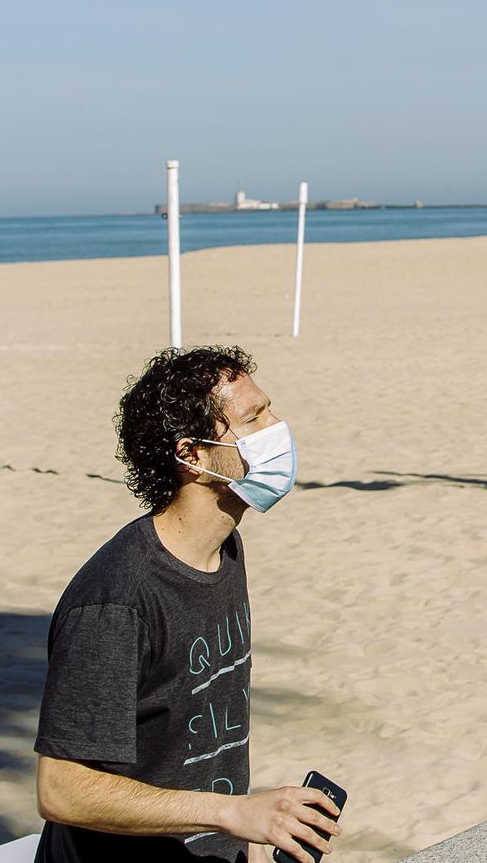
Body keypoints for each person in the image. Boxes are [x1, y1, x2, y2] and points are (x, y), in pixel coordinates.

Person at [32, 345, 341, 863]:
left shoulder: (224, 548)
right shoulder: (116, 602)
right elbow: (60, 790)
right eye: (254, 419)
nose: (278, 427)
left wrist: (247, 833)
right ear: (193, 456)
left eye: (270, 410)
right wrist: (231, 813)